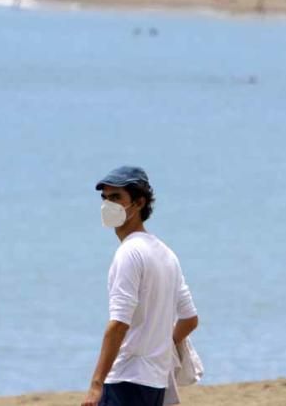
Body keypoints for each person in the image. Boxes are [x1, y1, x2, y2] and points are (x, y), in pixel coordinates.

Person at [83, 166, 199, 406]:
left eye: (116, 198)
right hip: (155, 382)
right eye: (104, 198)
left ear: (138, 203)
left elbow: (118, 324)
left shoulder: (128, 253)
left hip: (125, 380)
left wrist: (96, 385)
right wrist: (158, 347)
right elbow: (189, 319)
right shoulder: (166, 254)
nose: (107, 205)